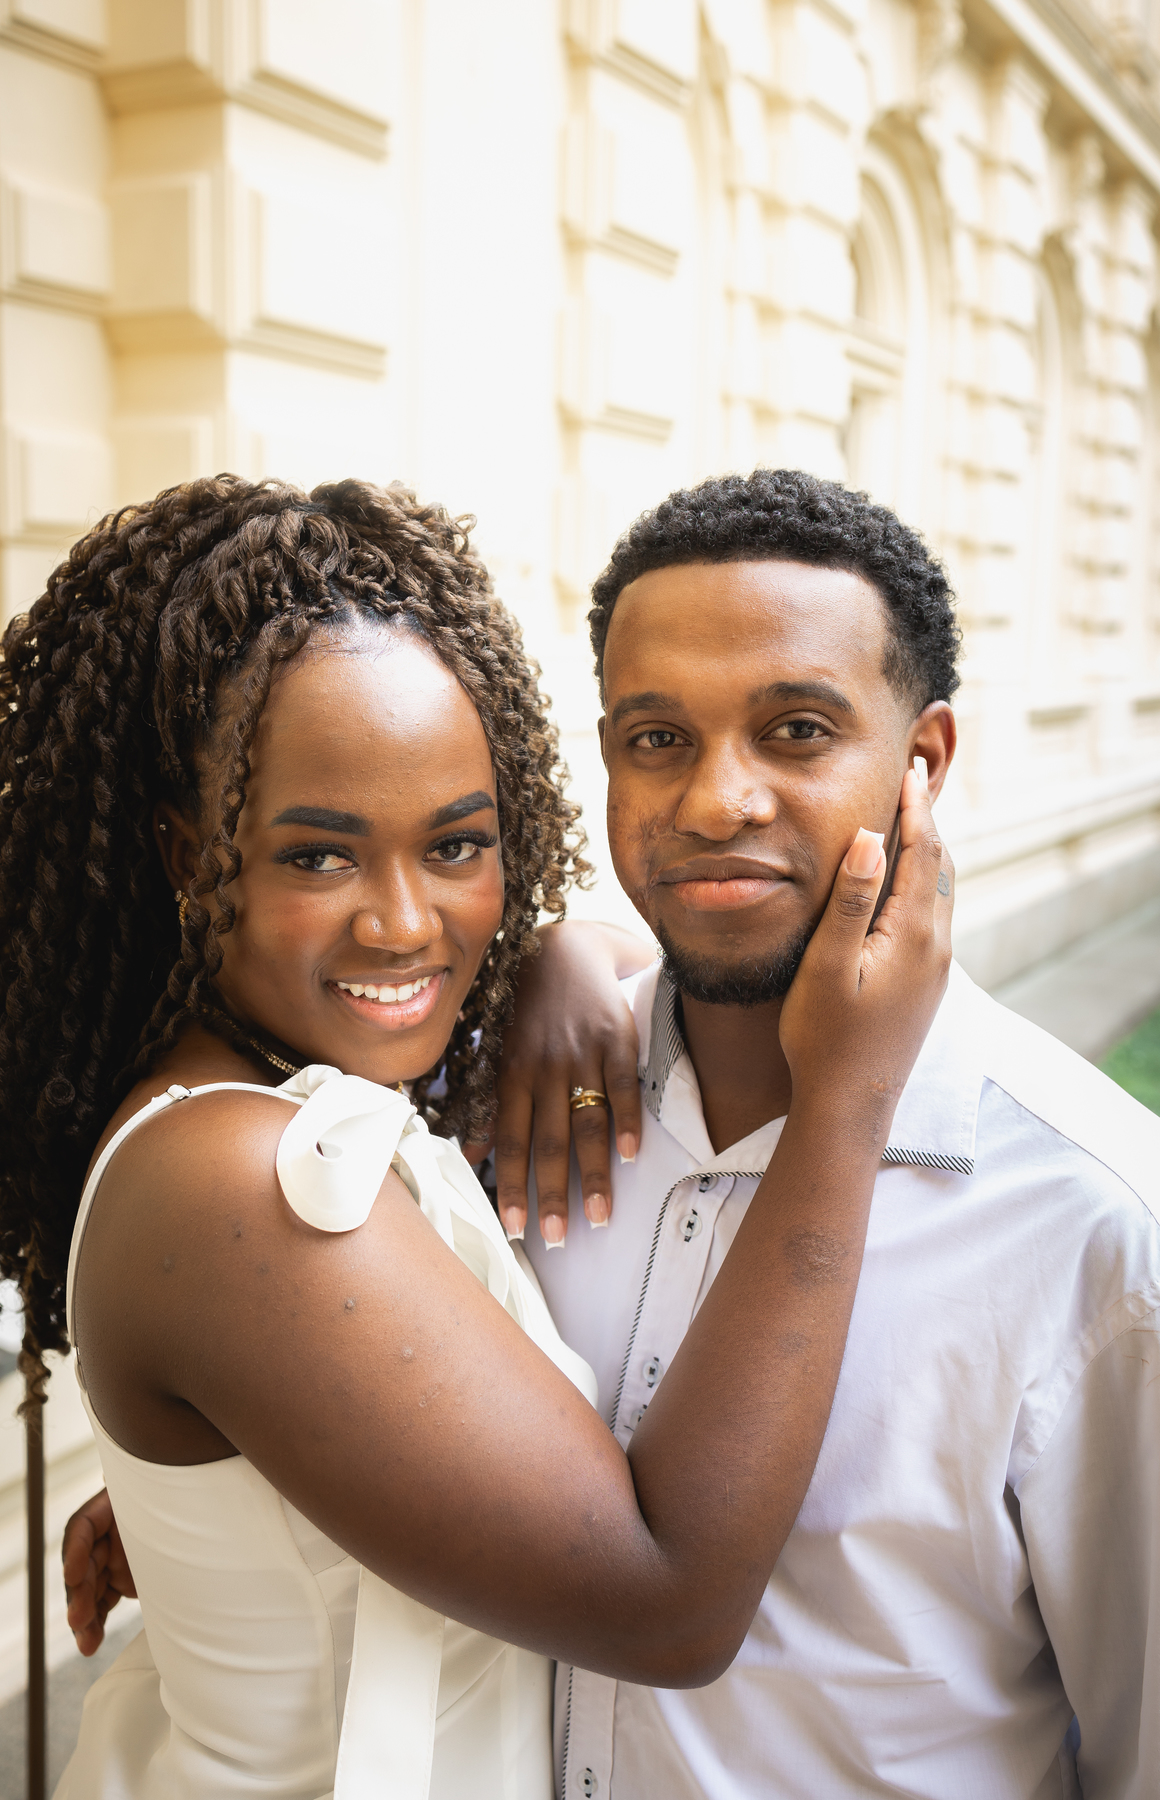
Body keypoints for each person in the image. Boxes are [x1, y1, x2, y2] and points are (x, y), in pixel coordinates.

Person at [0, 474, 952, 1798]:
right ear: (188, 857)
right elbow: (667, 1601)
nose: (405, 924)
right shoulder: (240, 1181)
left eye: (457, 845)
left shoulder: (284, 1096)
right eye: (317, 856)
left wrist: (567, 953)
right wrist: (842, 1106)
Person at [485, 469, 1159, 1799]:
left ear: (925, 762)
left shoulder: (1097, 1225)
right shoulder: (534, 1112)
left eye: (795, 730)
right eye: (656, 737)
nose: (715, 801)